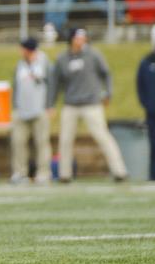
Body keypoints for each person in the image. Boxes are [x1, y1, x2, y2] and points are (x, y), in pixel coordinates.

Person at [51, 28, 128, 183]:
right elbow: (55, 83)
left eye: (83, 38)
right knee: (65, 140)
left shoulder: (93, 55)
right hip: (71, 104)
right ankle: (64, 174)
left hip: (91, 103)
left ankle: (120, 171)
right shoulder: (62, 58)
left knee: (103, 136)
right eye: (78, 38)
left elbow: (106, 73)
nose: (81, 41)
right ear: (71, 40)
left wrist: (108, 93)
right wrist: (50, 104)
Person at [11, 38, 53, 186]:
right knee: (18, 142)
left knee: (42, 143)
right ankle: (20, 173)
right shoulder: (20, 64)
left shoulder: (44, 62)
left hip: (39, 109)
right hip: (21, 110)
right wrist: (14, 106)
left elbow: (51, 84)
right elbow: (15, 86)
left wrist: (49, 105)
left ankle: (43, 173)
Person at [137, 26, 155, 181]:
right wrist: (147, 105)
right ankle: (152, 176)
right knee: (153, 145)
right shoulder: (146, 62)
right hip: (152, 112)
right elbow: (140, 86)